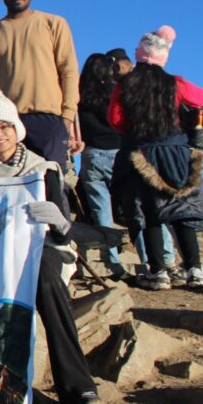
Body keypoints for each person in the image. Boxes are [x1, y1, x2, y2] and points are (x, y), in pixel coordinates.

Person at [0, 87, 105, 404]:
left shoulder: (43, 170)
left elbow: (63, 236)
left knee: (48, 281)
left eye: (4, 126)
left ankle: (79, 386)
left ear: (16, 128)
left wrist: (58, 223)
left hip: (39, 248)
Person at [108, 25, 203, 290]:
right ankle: (194, 270)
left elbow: (116, 120)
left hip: (144, 155)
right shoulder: (175, 83)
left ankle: (159, 272)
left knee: (152, 213)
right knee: (181, 212)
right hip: (177, 152)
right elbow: (200, 96)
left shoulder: (125, 85)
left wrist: (136, 132)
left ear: (139, 54)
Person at [0, 0, 79, 171]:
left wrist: (67, 117)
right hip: (7, 124)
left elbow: (68, 71)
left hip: (48, 118)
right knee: (13, 188)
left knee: (51, 186)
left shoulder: (53, 23)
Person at [77, 53, 124, 277]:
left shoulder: (80, 96)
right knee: (135, 210)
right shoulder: (116, 93)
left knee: (101, 211)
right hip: (119, 153)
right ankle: (152, 262)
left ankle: (112, 261)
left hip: (92, 154)